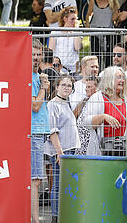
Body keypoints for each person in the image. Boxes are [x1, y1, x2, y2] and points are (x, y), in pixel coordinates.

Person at [46, 76, 80, 221]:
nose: (67, 87)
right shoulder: (53, 105)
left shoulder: (67, 103)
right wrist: (59, 152)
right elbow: (52, 130)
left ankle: (65, 214)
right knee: (58, 184)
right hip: (61, 151)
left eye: (69, 85)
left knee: (67, 183)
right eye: (64, 85)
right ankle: (55, 216)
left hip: (71, 149)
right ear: (56, 87)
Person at [30, 41, 50, 223]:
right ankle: (35, 219)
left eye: (38, 54)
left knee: (35, 179)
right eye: (33, 54)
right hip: (33, 131)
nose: (36, 58)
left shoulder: (38, 75)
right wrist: (44, 87)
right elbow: (35, 106)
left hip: (41, 131)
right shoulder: (28, 77)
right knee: (35, 180)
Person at [85, 0, 118, 66]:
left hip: (108, 32)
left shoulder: (112, 1)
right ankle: (96, 76)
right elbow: (88, 14)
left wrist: (116, 17)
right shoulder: (93, 1)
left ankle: (107, 76)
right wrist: (88, 27)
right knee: (96, 57)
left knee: (108, 57)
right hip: (95, 31)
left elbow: (116, 16)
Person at [49, 8, 82, 74]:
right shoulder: (55, 32)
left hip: (73, 69)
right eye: (72, 19)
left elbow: (77, 47)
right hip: (59, 68)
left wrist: (76, 30)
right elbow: (51, 50)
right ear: (65, 19)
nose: (74, 21)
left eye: (76, 19)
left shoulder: (77, 33)